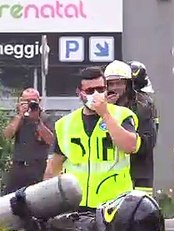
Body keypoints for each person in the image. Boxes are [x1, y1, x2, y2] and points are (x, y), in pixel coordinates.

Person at [43, 66, 141, 212]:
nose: (96, 94)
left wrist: (105, 115)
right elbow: (54, 167)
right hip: (76, 204)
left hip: (114, 203)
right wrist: (47, 202)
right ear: (79, 93)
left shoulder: (122, 116)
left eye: (101, 89)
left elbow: (130, 146)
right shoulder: (65, 124)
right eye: (90, 91)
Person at [104, 60, 158, 196]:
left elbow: (148, 142)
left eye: (119, 83)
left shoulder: (143, 106)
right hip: (109, 177)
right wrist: (106, 109)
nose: (115, 88)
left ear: (128, 84)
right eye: (111, 84)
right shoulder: (100, 107)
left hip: (138, 174)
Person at [2, 88, 54, 194]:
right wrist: (20, 115)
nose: (31, 104)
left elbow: (50, 140)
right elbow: (7, 136)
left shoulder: (45, 118)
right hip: (19, 166)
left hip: (37, 167)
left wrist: (37, 121)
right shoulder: (18, 118)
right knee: (10, 198)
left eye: (33, 101)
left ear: (39, 101)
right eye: (27, 101)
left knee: (37, 198)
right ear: (21, 101)